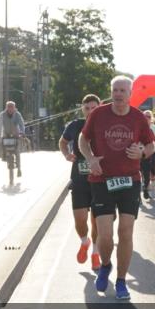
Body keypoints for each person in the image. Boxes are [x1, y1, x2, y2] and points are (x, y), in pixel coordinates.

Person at [79, 76, 155, 301]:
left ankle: (121, 281)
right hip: (102, 180)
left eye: (123, 90)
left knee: (125, 231)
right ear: (111, 92)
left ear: (130, 93)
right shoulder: (98, 114)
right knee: (104, 235)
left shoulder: (138, 117)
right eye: (115, 90)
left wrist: (142, 152)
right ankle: (105, 265)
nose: (118, 94)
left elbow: (151, 145)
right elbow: (84, 140)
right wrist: (90, 158)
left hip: (130, 181)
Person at [60, 94, 101, 269]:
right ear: (82, 109)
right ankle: (85, 241)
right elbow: (63, 142)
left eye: (94, 108)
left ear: (99, 107)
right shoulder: (75, 125)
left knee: (97, 221)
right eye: (87, 108)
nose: (91, 111)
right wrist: (66, 154)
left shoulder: (105, 125)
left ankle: (95, 253)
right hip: (79, 179)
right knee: (80, 220)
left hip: (100, 179)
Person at [0, 101, 26, 177]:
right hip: (6, 134)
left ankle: (19, 168)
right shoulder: (2, 115)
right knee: (2, 145)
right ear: (6, 107)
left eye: (12, 107)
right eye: (9, 107)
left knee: (17, 152)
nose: (10, 109)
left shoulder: (17, 114)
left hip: (16, 135)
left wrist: (22, 132)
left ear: (14, 108)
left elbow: (21, 124)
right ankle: (4, 156)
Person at [140, 109, 155, 200]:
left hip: (151, 153)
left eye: (148, 116)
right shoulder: (137, 127)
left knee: (149, 172)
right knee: (138, 173)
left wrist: (150, 147)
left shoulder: (153, 128)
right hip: (138, 154)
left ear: (151, 118)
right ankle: (139, 194)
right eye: (144, 116)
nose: (146, 118)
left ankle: (147, 186)